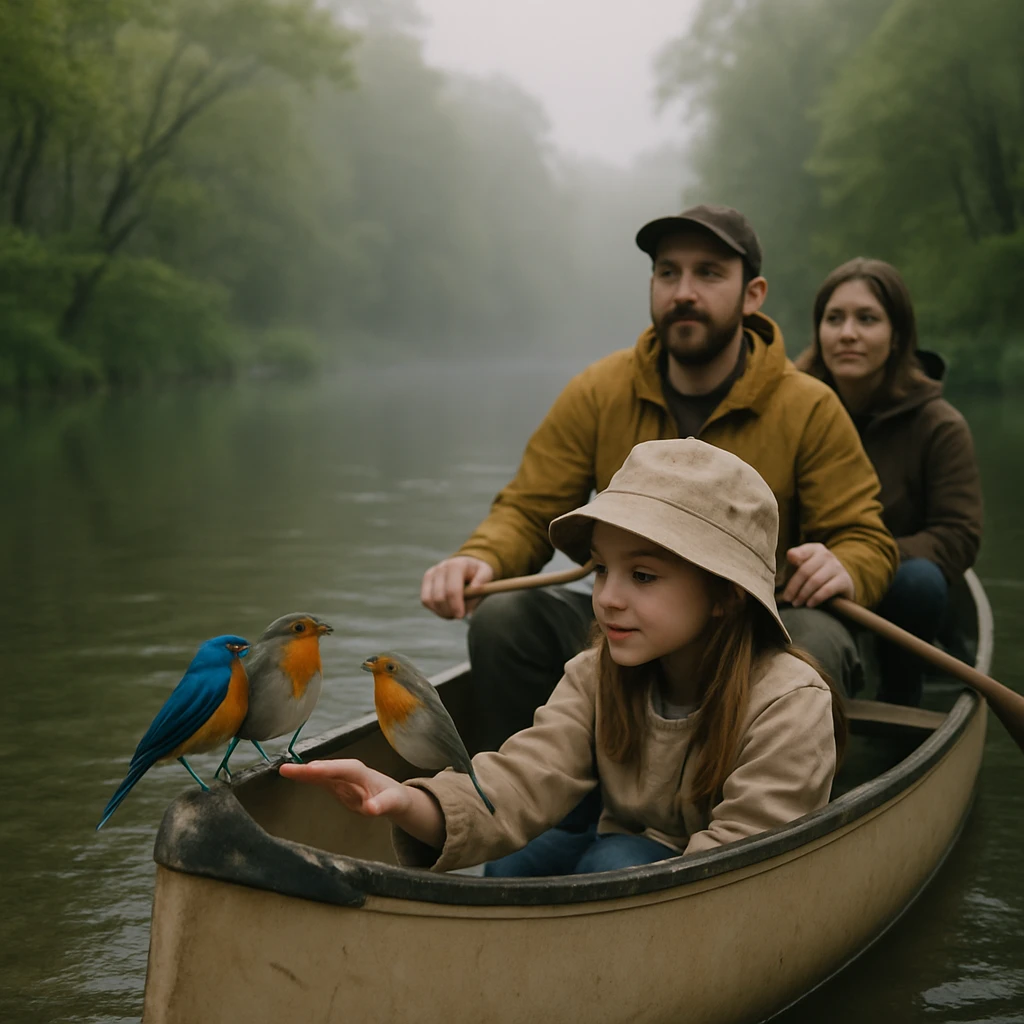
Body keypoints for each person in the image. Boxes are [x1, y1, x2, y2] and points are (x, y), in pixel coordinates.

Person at [420, 205, 898, 753]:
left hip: (756, 631)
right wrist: (481, 557)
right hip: (639, 617)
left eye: (709, 273)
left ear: (753, 294)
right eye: (668, 272)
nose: (684, 292)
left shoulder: (810, 406)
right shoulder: (598, 392)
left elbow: (868, 540)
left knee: (815, 642)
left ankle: (771, 816)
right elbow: (530, 511)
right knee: (504, 620)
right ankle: (539, 802)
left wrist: (846, 564)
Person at [282, 439, 847, 876]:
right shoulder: (598, 673)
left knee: (613, 864)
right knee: (511, 867)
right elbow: (519, 782)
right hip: (619, 839)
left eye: (643, 575)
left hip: (707, 886)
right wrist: (405, 800)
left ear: (725, 595)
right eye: (601, 569)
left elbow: (734, 870)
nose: (608, 597)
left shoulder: (790, 706)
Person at [796, 258, 983, 706]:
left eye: (867, 319)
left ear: (897, 335)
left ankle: (902, 692)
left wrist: (856, 563)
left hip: (896, 588)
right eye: (834, 318)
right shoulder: (791, 406)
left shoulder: (940, 425)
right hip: (799, 577)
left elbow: (958, 536)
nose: (847, 334)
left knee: (922, 582)